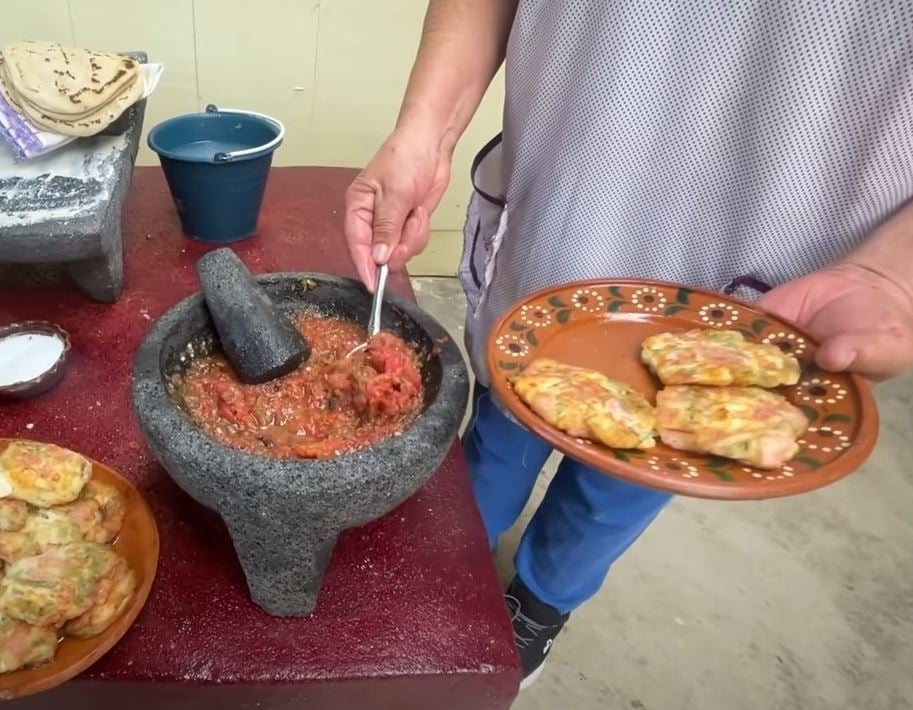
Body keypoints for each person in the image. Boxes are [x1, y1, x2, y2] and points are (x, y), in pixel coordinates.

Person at [343, 0, 913, 689]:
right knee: (497, 437)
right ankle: (450, 564)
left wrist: (893, 271)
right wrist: (423, 132)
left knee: (618, 487)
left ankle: (541, 602)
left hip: (760, 276)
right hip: (562, 223)